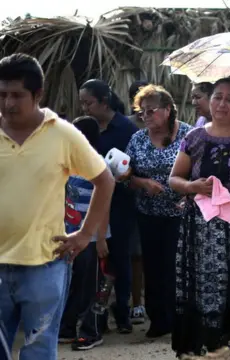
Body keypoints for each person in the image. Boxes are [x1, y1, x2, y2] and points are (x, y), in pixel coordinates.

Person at [0, 53, 114, 360]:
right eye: (2, 94)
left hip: (45, 264)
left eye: (17, 95)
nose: (8, 103)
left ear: (38, 95)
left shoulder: (62, 134)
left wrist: (85, 234)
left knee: (38, 350)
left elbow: (105, 180)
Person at [169, 78, 230, 356]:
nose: (222, 104)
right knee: (199, 288)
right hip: (197, 228)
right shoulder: (194, 138)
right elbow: (174, 178)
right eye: (217, 97)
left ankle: (229, 349)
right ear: (210, 100)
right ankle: (201, 347)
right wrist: (192, 187)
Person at [124, 84, 192, 338]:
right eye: (142, 112)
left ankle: (178, 319)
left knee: (175, 265)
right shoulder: (137, 139)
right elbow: (124, 175)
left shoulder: (188, 135)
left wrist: (188, 194)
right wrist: (143, 183)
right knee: (152, 266)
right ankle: (158, 319)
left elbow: (201, 171)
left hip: (180, 212)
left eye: (151, 111)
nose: (146, 117)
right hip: (148, 212)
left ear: (167, 110)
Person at [79, 79, 139, 333]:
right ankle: (96, 316)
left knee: (120, 259)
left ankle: (122, 313)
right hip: (90, 205)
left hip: (121, 204)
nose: (84, 108)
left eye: (88, 102)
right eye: (82, 103)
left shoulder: (127, 128)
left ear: (104, 101)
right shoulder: (84, 129)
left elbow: (136, 166)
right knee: (94, 262)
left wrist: (125, 175)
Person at [58, 116, 111, 351]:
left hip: (92, 237)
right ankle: (67, 327)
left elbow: (105, 203)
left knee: (94, 286)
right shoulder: (68, 162)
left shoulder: (98, 163)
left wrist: (100, 238)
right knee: (74, 284)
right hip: (71, 234)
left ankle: (92, 331)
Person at [126, 79, 149, 325]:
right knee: (136, 255)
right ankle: (136, 304)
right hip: (133, 200)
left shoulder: (172, 128)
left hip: (162, 202)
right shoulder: (127, 127)